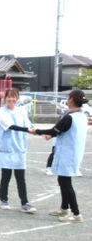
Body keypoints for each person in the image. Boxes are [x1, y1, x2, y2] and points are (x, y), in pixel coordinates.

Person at [31, 89, 88, 223]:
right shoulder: (81, 116)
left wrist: (37, 131)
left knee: (65, 182)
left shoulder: (70, 117)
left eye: (68, 98)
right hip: (73, 152)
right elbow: (60, 130)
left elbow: (55, 130)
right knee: (62, 180)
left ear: (72, 100)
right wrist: (51, 134)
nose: (67, 100)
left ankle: (76, 214)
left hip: (67, 153)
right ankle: (64, 208)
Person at [0, 89, 36, 213]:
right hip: (6, 147)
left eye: (14, 97)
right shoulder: (1, 112)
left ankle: (25, 203)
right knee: (6, 175)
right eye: (9, 97)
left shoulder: (22, 111)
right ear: (5, 98)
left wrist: (40, 132)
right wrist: (28, 130)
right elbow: (10, 126)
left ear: (17, 99)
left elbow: (29, 125)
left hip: (19, 147)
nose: (11, 99)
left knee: (20, 177)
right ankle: (3, 199)